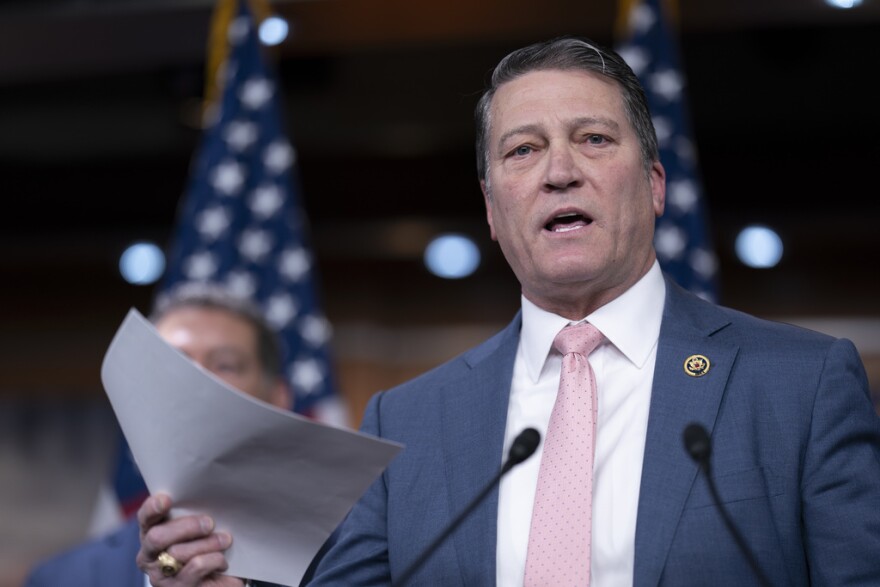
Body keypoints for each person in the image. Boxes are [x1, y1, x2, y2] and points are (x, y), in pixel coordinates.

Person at [136, 36, 880, 586]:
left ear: (654, 185)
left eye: (593, 139)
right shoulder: (410, 419)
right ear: (493, 211)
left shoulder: (800, 385)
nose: (560, 171)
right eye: (523, 151)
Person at [24, 283, 292, 587]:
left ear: (278, 398)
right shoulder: (61, 579)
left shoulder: (345, 560)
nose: (195, 380)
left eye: (225, 365)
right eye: (174, 362)